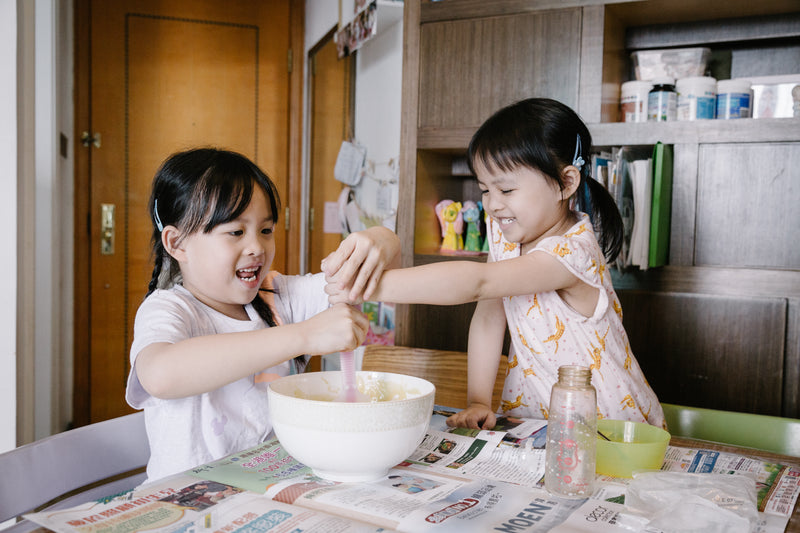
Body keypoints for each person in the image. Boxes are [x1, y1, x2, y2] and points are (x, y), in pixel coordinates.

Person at [326, 98, 664, 430]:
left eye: (506, 189)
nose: (492, 204)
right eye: (485, 189)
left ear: (566, 183)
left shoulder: (573, 253)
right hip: (536, 419)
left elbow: (479, 282)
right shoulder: (506, 236)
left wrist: (367, 284)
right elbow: (489, 317)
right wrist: (479, 401)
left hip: (605, 424)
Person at [125, 147, 400, 481]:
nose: (257, 247)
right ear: (177, 243)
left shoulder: (276, 295)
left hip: (270, 496)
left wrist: (383, 239)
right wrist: (305, 335)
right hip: (189, 507)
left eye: (266, 230)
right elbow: (161, 375)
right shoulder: (169, 309)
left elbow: (384, 282)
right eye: (236, 232)